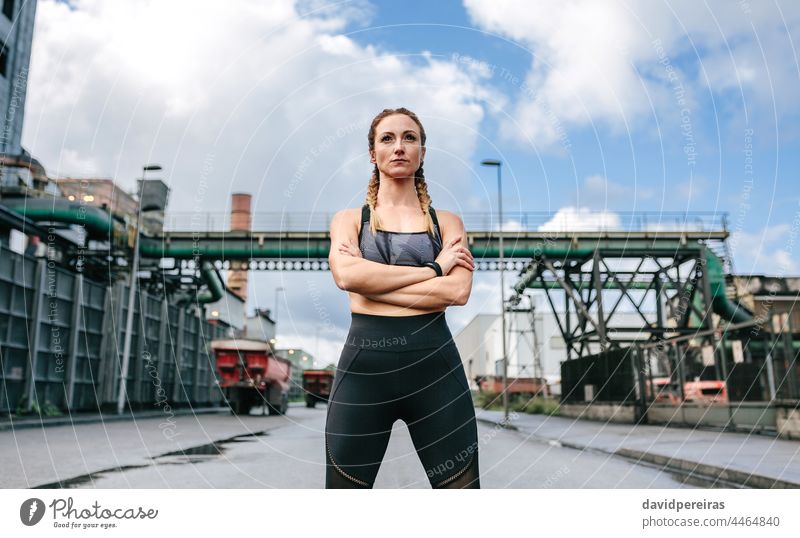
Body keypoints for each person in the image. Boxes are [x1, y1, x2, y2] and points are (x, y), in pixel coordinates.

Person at [325, 107, 479, 489]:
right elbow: (348, 277)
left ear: (422, 152)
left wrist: (375, 285)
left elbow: (457, 292)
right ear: (372, 152)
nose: (399, 147)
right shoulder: (349, 219)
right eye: (387, 139)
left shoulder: (448, 223)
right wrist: (433, 271)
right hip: (363, 373)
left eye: (409, 138)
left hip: (436, 371)